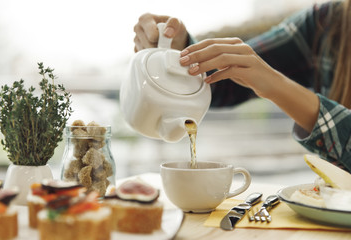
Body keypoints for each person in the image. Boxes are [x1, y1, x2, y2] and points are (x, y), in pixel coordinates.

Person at [133, 0, 351, 173]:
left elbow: (262, 75)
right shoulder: (327, 22)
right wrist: (181, 53)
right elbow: (222, 82)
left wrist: (277, 86)